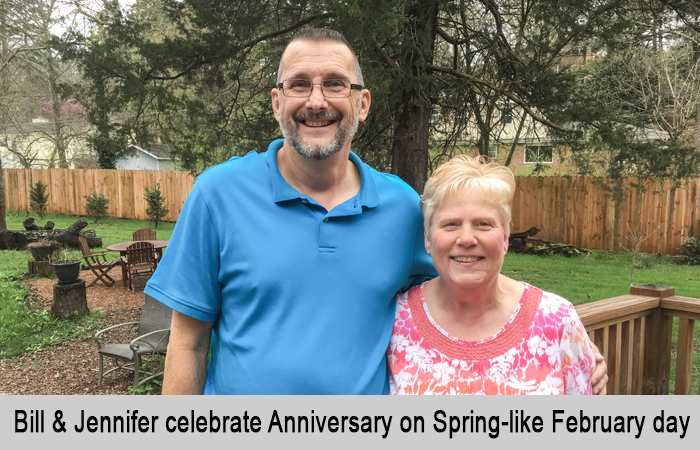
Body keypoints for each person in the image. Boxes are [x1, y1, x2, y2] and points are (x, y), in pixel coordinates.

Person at [144, 28, 608, 394]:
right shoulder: (217, 195)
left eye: (335, 84)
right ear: (277, 101)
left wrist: (555, 329)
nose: (317, 100)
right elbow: (187, 341)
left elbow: (462, 272)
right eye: (299, 84)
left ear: (362, 103)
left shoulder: (400, 205)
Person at [388, 155, 596, 394]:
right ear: (427, 239)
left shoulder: (558, 321)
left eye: (483, 224)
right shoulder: (394, 321)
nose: (466, 239)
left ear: (506, 238)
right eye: (451, 224)